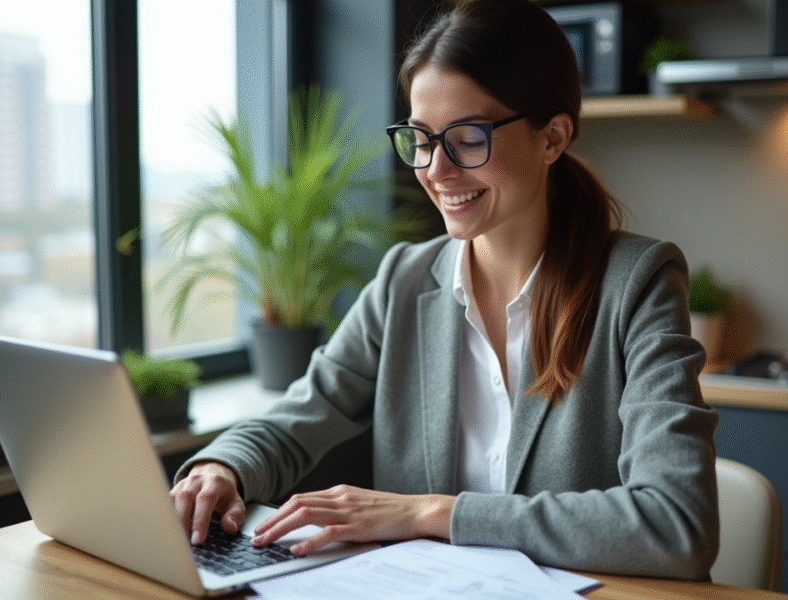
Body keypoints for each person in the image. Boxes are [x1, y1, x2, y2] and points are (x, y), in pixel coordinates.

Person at [171, 0, 719, 580]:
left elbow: (675, 522)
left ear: (553, 137)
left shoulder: (637, 283)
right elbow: (301, 416)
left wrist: (431, 513)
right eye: (421, 139)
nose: (436, 169)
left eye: (468, 137)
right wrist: (221, 466)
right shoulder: (404, 281)